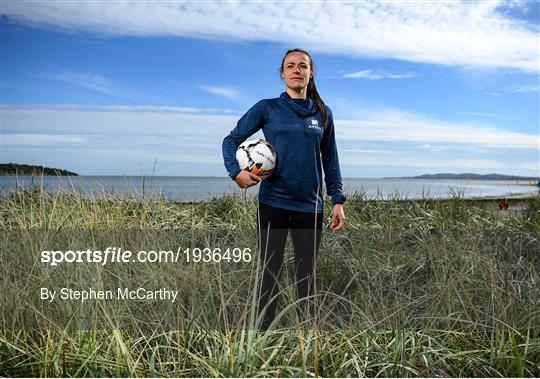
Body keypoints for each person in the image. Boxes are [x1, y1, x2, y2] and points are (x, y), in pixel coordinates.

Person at [222, 48, 346, 330]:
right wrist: (235, 172)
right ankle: (263, 336)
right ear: (282, 73)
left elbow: (330, 159)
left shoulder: (323, 114)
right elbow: (230, 140)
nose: (297, 70)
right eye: (290, 66)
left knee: (307, 276)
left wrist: (337, 199)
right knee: (269, 273)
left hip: (310, 207)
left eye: (303, 65)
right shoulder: (267, 108)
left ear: (311, 73)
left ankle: (306, 338)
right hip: (273, 204)